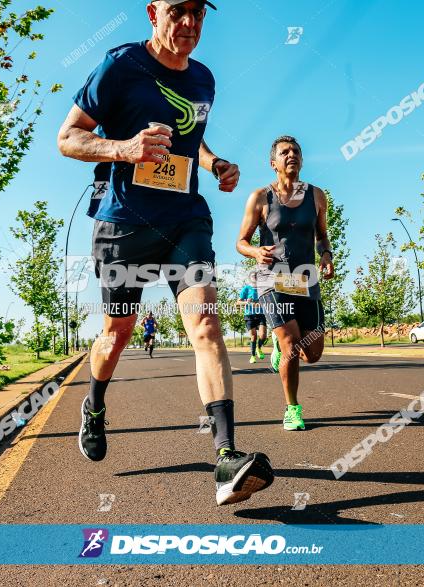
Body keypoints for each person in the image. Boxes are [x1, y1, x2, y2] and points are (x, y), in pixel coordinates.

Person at [57, 0, 273, 505]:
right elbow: (68, 138)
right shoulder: (120, 64)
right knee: (118, 333)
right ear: (153, 12)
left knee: (206, 323)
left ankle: (226, 459)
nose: (189, 23)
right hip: (124, 223)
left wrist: (214, 161)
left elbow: (189, 139)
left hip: (184, 219)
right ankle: (94, 405)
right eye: (178, 11)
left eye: (199, 13)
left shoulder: (204, 80)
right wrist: (124, 149)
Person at [236, 136, 335, 431]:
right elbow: (241, 241)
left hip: (305, 280)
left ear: (301, 160)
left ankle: (280, 351)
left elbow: (322, 235)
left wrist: (326, 255)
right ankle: (293, 408)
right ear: (273, 163)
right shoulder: (260, 198)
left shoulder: (317, 195)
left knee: (312, 353)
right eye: (285, 152)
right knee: (291, 343)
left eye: (296, 151)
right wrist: (255, 251)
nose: (291, 155)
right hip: (272, 280)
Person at [237, 271, 267, 364]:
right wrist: (247, 302)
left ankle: (259, 348)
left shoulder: (263, 288)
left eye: (256, 276)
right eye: (253, 276)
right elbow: (238, 302)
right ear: (250, 278)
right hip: (249, 315)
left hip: (261, 314)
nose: (255, 278)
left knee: (263, 335)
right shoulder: (246, 288)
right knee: (253, 336)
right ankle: (253, 356)